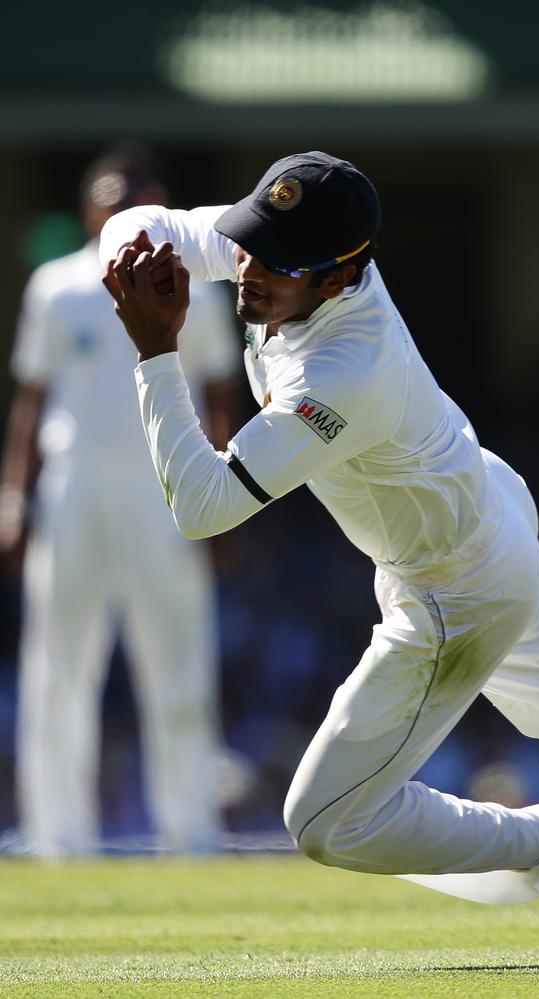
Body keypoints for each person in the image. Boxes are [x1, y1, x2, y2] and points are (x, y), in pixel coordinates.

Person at [100, 150, 539, 950]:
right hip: (478, 509)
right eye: (251, 241)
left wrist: (156, 351)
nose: (248, 271)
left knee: (326, 820)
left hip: (455, 587)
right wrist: (128, 249)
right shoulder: (291, 254)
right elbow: (160, 226)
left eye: (277, 263)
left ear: (336, 279)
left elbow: (205, 506)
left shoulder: (345, 368)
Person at [0, 146, 242, 856]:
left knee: (177, 658)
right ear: (88, 208)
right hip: (74, 483)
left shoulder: (186, 281)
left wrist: (224, 494)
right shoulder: (56, 285)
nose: (123, 207)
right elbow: (31, 400)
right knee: (58, 664)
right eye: (112, 196)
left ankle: (191, 830)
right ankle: (56, 834)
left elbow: (222, 391)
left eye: (139, 196)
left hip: (164, 484)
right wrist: (14, 497)